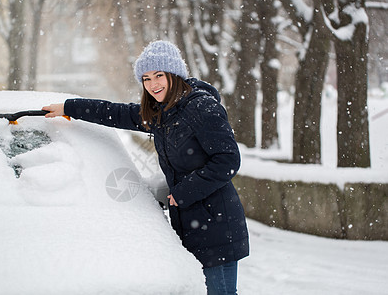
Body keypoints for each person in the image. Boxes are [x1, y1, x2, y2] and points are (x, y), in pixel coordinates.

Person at [42, 40, 249, 295]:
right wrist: (68, 107)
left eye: (159, 75)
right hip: (189, 224)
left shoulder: (200, 107)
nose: (153, 85)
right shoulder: (161, 114)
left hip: (217, 224)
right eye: (147, 78)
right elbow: (115, 113)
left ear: (174, 74)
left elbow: (228, 159)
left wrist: (184, 192)